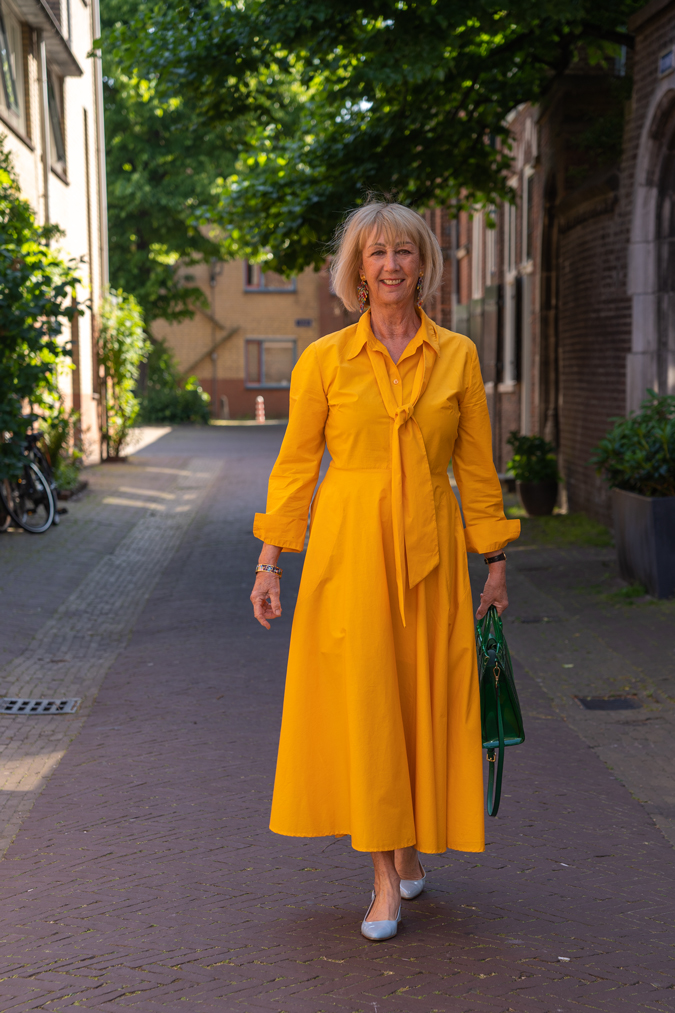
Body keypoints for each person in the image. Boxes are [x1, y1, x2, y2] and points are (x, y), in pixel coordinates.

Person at [251, 201, 520, 941]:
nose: (391, 265)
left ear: (422, 263)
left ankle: (406, 846)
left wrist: (493, 561)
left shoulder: (457, 356)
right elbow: (296, 468)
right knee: (368, 706)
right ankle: (380, 880)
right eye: (376, 254)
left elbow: (475, 469)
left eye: (404, 251)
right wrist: (270, 560)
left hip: (431, 557)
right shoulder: (323, 361)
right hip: (349, 556)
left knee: (416, 702)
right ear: (356, 270)